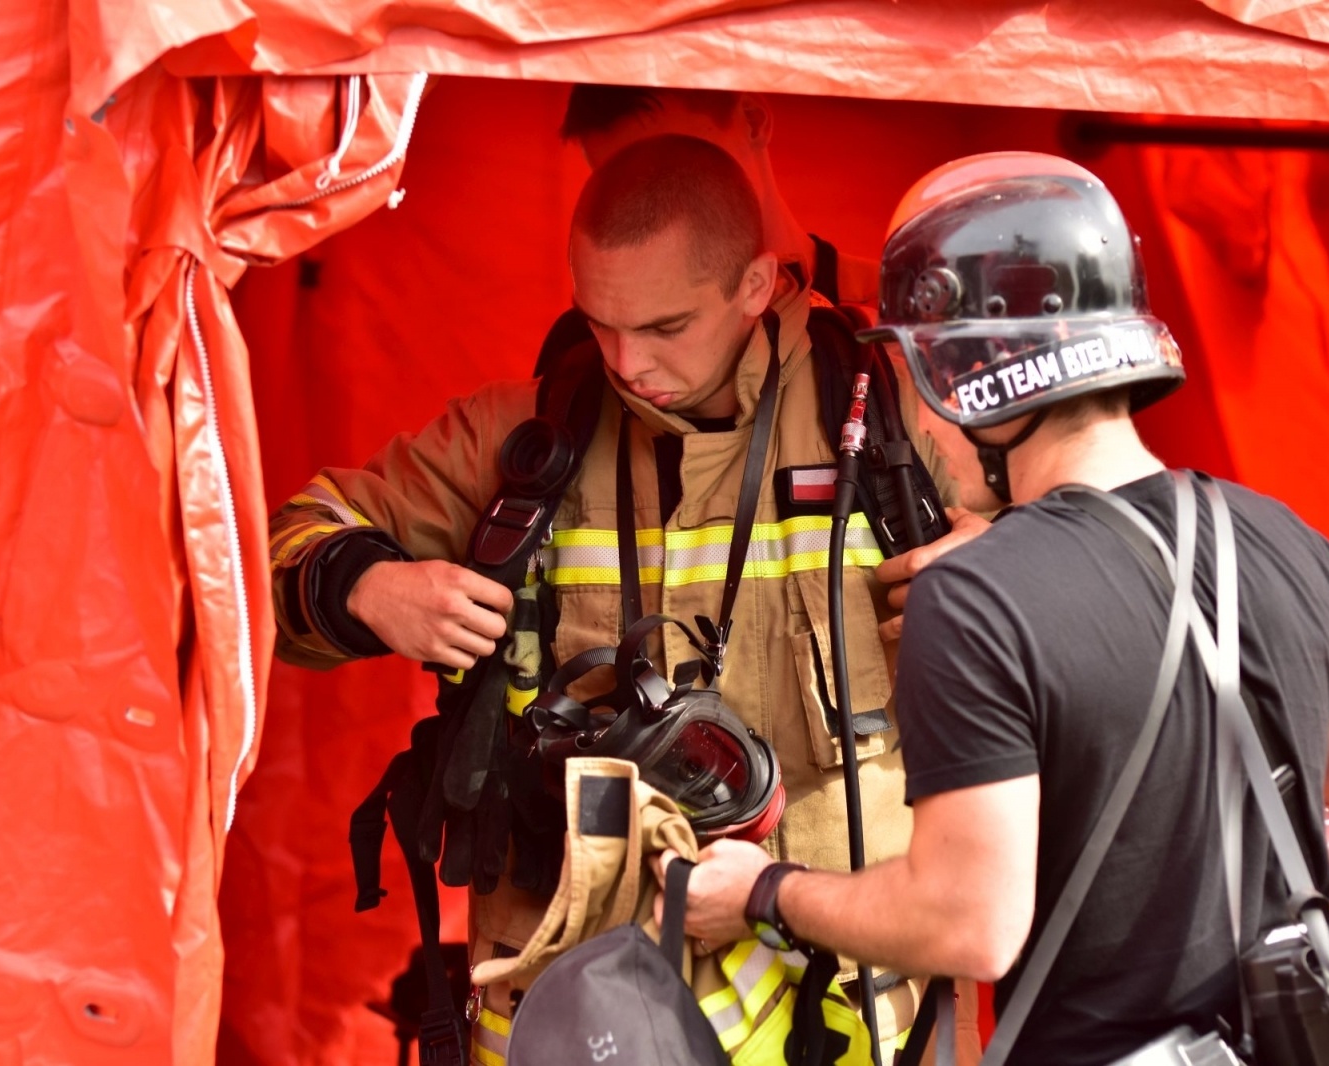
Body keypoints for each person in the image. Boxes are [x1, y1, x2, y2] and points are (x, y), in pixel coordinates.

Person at [670, 151, 1329, 1065]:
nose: (926, 425)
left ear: (980, 380)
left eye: (927, 387)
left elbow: (969, 922)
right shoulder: (1289, 540)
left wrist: (769, 889)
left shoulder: (976, 599)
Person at [268, 135, 960, 1061]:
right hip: (569, 1007)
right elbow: (274, 547)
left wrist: (1001, 573)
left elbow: (1103, 564)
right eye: (599, 324)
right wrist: (371, 586)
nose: (627, 362)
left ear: (756, 287)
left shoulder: (889, 426)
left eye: (666, 327)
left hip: (832, 1004)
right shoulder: (521, 439)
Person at [559, 84, 877, 308]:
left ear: (753, 121)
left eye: (678, 169)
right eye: (619, 190)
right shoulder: (597, 351)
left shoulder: (894, 313)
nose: (652, 212)